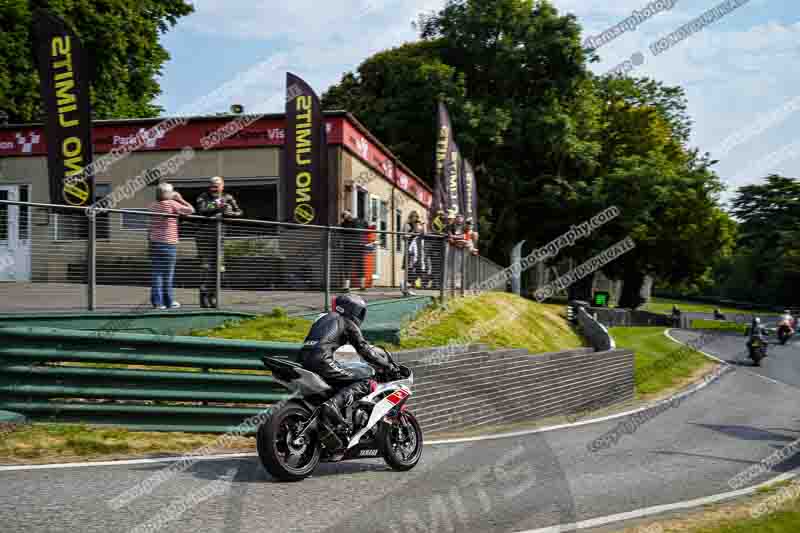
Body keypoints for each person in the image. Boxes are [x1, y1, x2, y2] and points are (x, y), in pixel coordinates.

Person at [299, 294, 399, 440]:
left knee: (338, 383)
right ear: (354, 310)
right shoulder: (347, 322)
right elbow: (364, 349)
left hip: (303, 361)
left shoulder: (322, 318)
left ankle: (328, 420)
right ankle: (333, 405)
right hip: (321, 361)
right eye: (360, 312)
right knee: (367, 381)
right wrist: (388, 366)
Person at [195, 176, 242, 308]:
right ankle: (204, 295)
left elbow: (239, 212)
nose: (214, 188)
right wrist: (218, 205)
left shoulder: (228, 197)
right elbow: (202, 209)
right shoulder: (203, 197)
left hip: (220, 236)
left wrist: (229, 213)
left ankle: (213, 295)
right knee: (207, 267)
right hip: (204, 236)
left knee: (219, 268)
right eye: (211, 185)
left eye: (216, 185)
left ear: (222, 186)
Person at [148, 183, 195, 309]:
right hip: (169, 243)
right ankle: (168, 302)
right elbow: (191, 210)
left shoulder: (152, 206)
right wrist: (180, 199)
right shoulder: (172, 204)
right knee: (168, 274)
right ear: (168, 193)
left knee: (156, 273)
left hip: (154, 243)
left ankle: (157, 303)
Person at [401, 211, 426, 296]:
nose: (416, 219)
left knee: (421, 270)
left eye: (417, 217)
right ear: (410, 218)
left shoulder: (418, 225)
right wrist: (413, 231)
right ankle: (407, 287)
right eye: (414, 217)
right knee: (410, 269)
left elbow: (423, 235)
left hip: (419, 250)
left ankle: (406, 284)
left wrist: (422, 226)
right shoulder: (407, 225)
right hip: (410, 251)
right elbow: (404, 237)